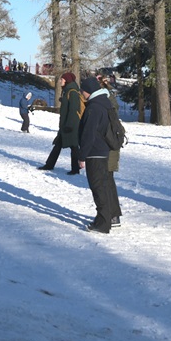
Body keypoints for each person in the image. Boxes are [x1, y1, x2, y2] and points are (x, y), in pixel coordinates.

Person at [79, 76, 124, 234]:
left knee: (99, 186)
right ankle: (112, 216)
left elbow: (88, 134)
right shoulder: (106, 103)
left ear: (88, 91)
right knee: (107, 183)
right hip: (109, 149)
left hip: (97, 152)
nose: (82, 94)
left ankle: (103, 222)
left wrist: (81, 155)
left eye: (82, 91)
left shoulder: (94, 107)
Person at [39, 72, 82, 174]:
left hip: (70, 125)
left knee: (74, 146)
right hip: (65, 125)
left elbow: (73, 110)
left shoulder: (72, 92)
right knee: (58, 145)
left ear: (66, 80)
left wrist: (69, 125)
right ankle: (49, 164)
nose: (60, 81)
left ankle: (75, 169)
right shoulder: (67, 91)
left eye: (61, 79)